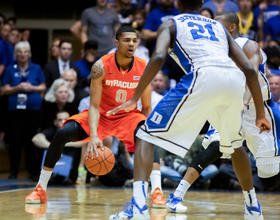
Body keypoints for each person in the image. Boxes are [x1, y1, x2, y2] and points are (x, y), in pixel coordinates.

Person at [107, 0, 271, 219]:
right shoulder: (218, 26)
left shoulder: (171, 23)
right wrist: (260, 112)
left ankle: (138, 206)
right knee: (234, 145)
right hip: (233, 82)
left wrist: (134, 97)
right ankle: (252, 206)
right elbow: (250, 70)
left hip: (202, 77)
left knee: (145, 136)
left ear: (178, 3)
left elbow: (157, 57)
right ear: (201, 3)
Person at [25, 26, 165, 207]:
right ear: (116, 43)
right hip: (102, 115)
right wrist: (93, 135)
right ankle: (40, 188)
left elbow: (146, 107)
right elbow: (94, 105)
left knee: (149, 137)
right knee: (63, 133)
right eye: (126, 40)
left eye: (134, 40)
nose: (131, 44)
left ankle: (157, 191)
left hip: (128, 117)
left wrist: (146, 132)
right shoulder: (100, 66)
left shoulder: (143, 68)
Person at [2, 41, 46, 179]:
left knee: (31, 139)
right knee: (15, 140)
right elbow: (5, 89)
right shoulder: (10, 69)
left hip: (33, 109)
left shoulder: (36, 68)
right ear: (16, 54)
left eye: (25, 51)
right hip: (15, 110)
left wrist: (31, 88)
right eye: (20, 51)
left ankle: (32, 171)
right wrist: (18, 88)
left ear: (29, 54)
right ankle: (13, 171)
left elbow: (43, 87)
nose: (23, 54)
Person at [32, 110, 85, 185]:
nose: (63, 121)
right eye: (60, 120)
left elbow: (84, 142)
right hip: (51, 173)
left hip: (69, 174)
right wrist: (53, 149)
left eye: (66, 119)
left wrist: (60, 145)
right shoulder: (51, 131)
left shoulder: (76, 132)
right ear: (55, 122)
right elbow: (36, 139)